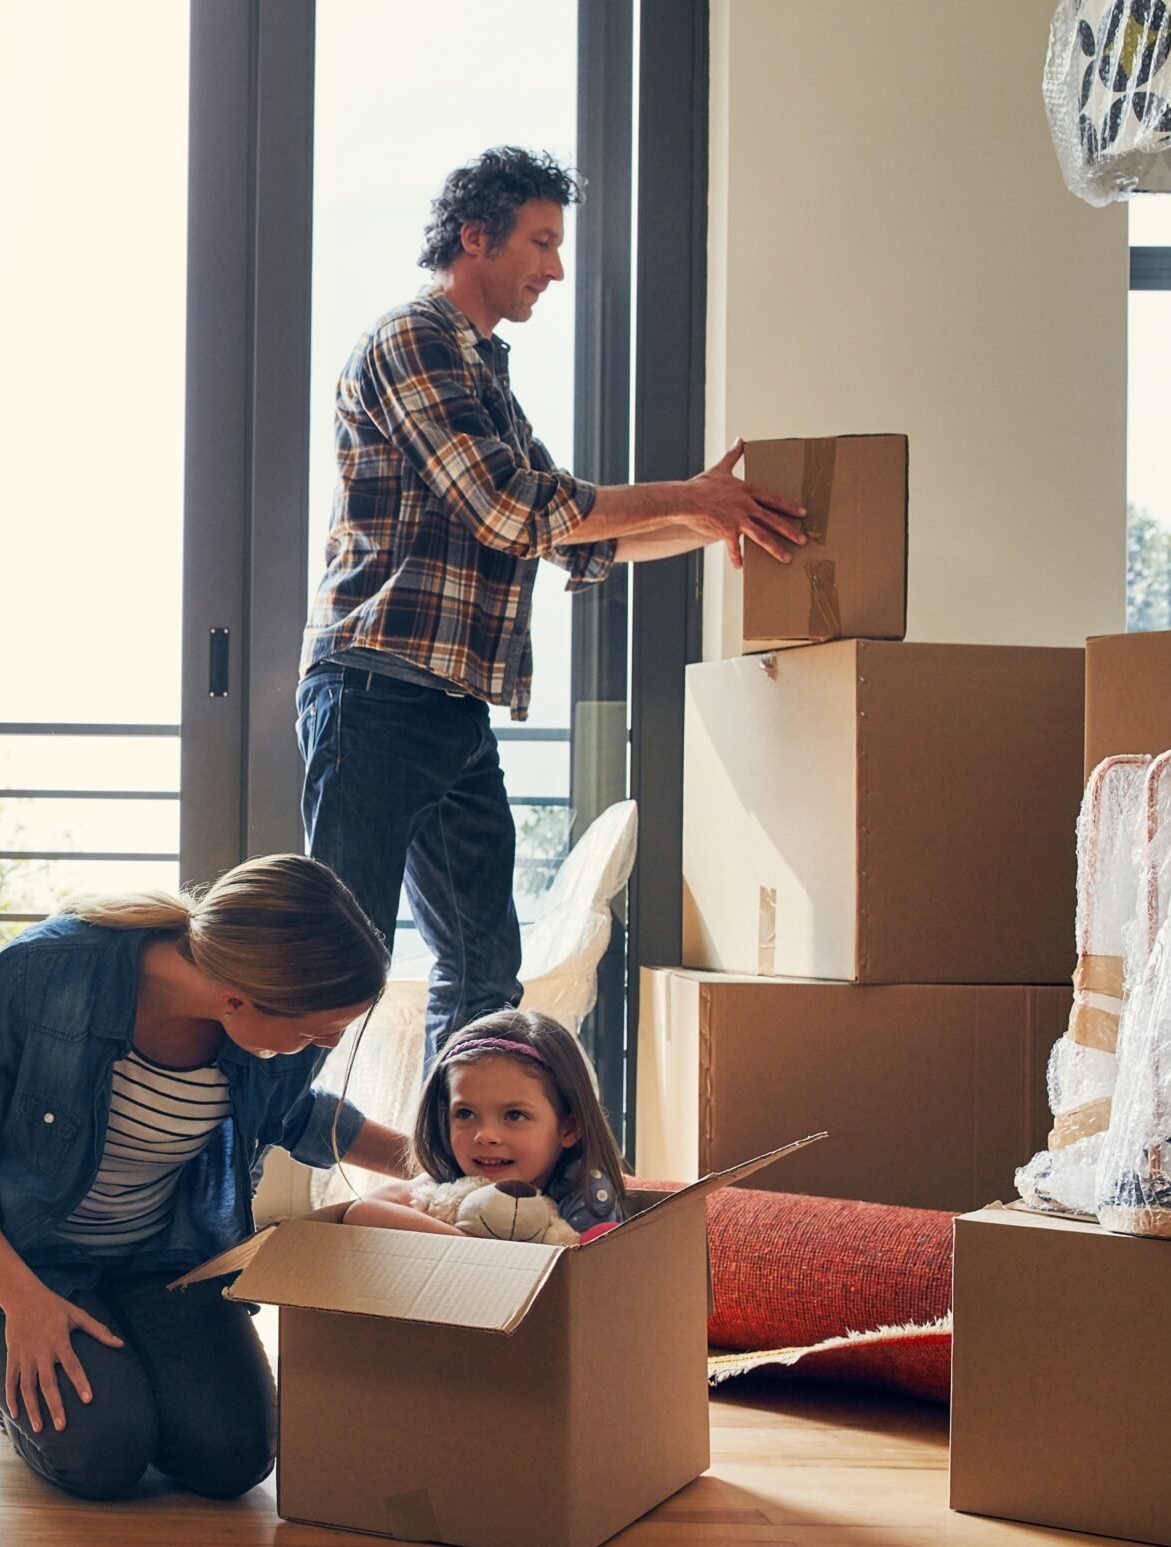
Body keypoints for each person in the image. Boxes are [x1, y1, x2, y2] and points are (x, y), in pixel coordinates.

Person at [299, 145, 809, 1063]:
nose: (556, 267)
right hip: (372, 695)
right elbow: (511, 509)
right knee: (336, 969)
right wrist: (692, 498)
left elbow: (576, 530)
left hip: (449, 705)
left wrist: (711, 518)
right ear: (475, 235)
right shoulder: (412, 340)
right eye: (541, 241)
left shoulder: (484, 372)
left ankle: (456, 1179)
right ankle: (264, 1176)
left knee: (486, 969)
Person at [0, 854, 407, 1502]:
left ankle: (129, 1369)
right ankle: (25, 1394)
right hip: (23, 1265)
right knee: (102, 1455)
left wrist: (433, 1164)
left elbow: (293, 1115)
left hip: (161, 1257)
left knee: (234, 1457)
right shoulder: (41, 972)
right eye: (314, 1030)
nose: (325, 1046)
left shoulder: (261, 1036)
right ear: (234, 998)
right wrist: (22, 1302)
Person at [341, 1008, 629, 1238]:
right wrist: (469, 1245)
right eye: (465, 1114)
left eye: (514, 1115)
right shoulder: (454, 1176)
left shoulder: (585, 1192)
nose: (486, 1136)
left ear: (568, 1128)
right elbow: (363, 1212)